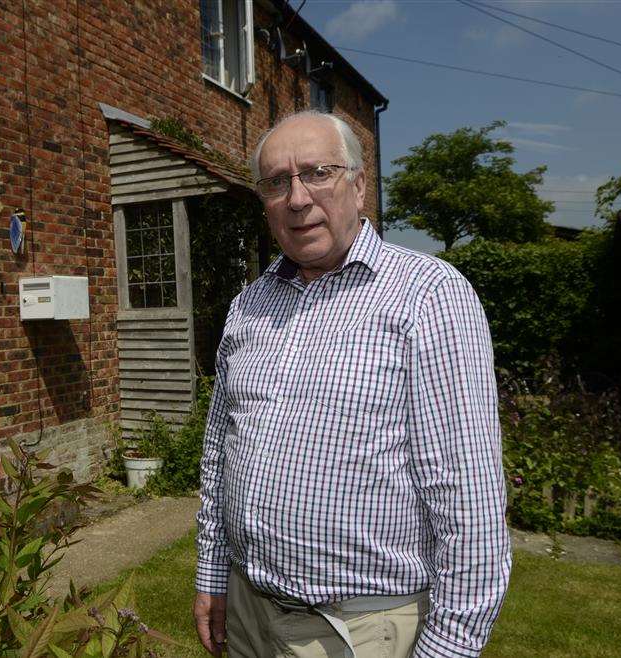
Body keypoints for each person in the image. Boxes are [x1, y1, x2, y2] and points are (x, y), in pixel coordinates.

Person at [192, 110, 510, 658]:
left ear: (359, 187)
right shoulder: (250, 304)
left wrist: (449, 647)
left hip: (357, 629)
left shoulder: (427, 295)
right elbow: (219, 453)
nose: (297, 197)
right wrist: (213, 574)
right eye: (276, 182)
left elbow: (467, 497)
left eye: (317, 172)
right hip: (248, 610)